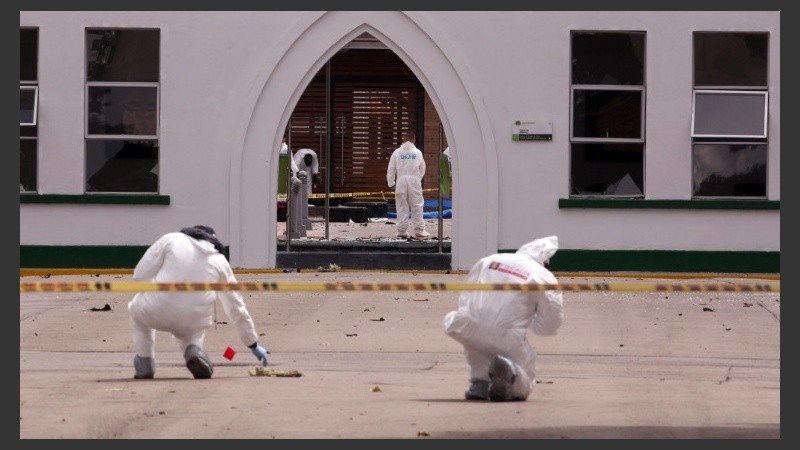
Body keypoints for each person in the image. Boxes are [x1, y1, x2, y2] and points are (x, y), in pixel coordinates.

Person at [127, 225, 269, 380]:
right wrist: (252, 344)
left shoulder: (172, 239)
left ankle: (145, 361)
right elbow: (235, 306)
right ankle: (194, 349)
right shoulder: (220, 261)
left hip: (157, 308)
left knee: (135, 308)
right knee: (194, 330)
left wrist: (156, 289)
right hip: (194, 320)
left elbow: (139, 276)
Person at [443, 235, 565, 401]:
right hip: (507, 336)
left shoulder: (490, 260)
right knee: (526, 374)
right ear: (544, 261)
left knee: (478, 347)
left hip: (468, 324)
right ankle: (511, 372)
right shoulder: (543, 275)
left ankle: (480, 383)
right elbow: (551, 319)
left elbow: (467, 294)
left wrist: (469, 315)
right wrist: (536, 326)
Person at [386, 130, 430, 239]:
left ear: (404, 139)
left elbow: (391, 168)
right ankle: (419, 230)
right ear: (414, 139)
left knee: (401, 205)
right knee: (417, 205)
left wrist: (391, 183)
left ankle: (401, 231)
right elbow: (422, 168)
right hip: (414, 180)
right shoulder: (417, 153)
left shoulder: (397, 152)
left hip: (401, 180)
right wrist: (417, 178)